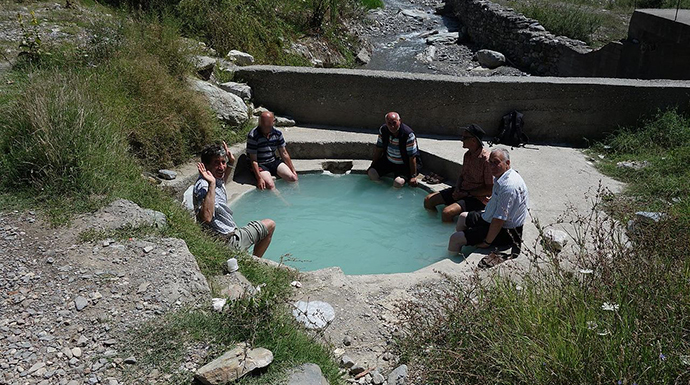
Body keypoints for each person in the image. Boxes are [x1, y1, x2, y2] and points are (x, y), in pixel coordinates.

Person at [194, 142, 275, 258]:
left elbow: (221, 183)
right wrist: (211, 184)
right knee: (270, 224)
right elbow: (206, 218)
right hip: (228, 242)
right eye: (216, 163)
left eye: (223, 162)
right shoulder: (205, 186)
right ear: (205, 166)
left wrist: (231, 162)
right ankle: (255, 261)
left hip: (225, 238)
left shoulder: (213, 179)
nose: (221, 167)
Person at [448, 147, 529, 264]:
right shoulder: (503, 175)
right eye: (490, 163)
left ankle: (452, 260)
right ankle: (466, 244)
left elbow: (499, 220)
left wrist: (487, 242)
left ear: (507, 163)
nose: (491, 167)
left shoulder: (508, 187)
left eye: (496, 163)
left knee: (455, 239)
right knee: (462, 217)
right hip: (490, 218)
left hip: (505, 231)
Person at [423, 124, 493, 223]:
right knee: (428, 200)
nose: (461, 140)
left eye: (464, 137)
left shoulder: (486, 160)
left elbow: (489, 189)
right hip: (463, 190)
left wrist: (468, 193)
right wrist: (457, 189)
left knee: (447, 212)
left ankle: (447, 233)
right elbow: (462, 176)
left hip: (477, 197)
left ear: (473, 140)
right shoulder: (467, 155)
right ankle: (432, 224)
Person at [247, 111, 298, 190]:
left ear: (273, 123)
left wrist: (293, 170)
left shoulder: (277, 134)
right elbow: (253, 160)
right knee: (270, 185)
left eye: (267, 126)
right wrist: (259, 178)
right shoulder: (253, 135)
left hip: (273, 161)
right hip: (261, 164)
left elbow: (284, 153)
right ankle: (281, 201)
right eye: (263, 125)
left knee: (293, 178)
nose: (264, 128)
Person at [367, 112, 419, 188]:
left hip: (404, 164)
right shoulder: (383, 130)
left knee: (398, 183)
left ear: (400, 121)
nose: (392, 126)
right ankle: (381, 188)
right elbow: (379, 149)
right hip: (388, 161)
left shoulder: (408, 135)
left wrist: (413, 176)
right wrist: (373, 165)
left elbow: (412, 157)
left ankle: (390, 194)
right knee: (372, 173)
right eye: (389, 123)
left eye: (394, 123)